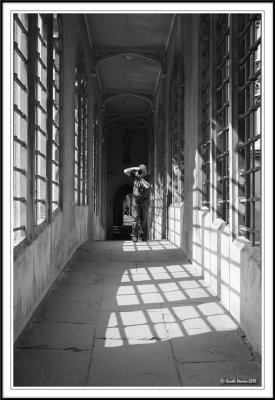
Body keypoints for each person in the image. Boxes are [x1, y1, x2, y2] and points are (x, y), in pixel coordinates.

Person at [124, 164, 151, 241]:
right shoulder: (135, 176)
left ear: (145, 172)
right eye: (140, 171)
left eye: (142, 171)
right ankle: (134, 235)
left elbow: (148, 186)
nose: (140, 173)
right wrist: (135, 168)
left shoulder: (148, 177)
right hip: (136, 200)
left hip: (145, 201)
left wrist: (142, 179)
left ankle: (141, 233)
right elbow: (125, 171)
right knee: (135, 218)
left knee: (143, 219)